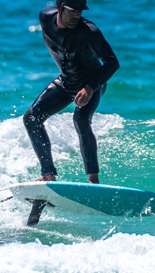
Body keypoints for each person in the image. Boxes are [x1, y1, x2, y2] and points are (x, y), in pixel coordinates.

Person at [23, 0, 119, 184]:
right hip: (66, 81)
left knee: (81, 120)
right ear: (59, 8)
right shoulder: (45, 18)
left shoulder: (89, 32)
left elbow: (112, 62)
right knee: (31, 118)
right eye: (72, 10)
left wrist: (90, 88)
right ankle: (48, 175)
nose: (77, 15)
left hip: (91, 83)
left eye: (80, 11)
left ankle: (93, 180)